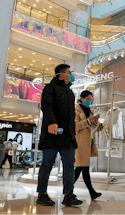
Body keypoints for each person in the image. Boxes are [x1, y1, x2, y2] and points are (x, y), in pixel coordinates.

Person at [36, 64, 82, 207]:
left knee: (69, 165)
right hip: (52, 134)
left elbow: (71, 117)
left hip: (67, 136)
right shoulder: (50, 88)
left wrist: (73, 133)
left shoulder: (70, 92)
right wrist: (51, 122)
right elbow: (46, 106)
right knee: (47, 164)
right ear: (62, 74)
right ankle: (42, 194)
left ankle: (69, 194)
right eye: (69, 72)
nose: (71, 75)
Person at [74, 90, 102, 201]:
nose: (89, 101)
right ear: (82, 98)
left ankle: (90, 192)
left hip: (87, 143)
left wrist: (94, 121)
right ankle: (69, 191)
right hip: (80, 142)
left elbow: (91, 129)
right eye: (88, 99)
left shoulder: (88, 110)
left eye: (91, 99)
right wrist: (87, 120)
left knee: (82, 168)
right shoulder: (76, 109)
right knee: (82, 167)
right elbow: (75, 126)